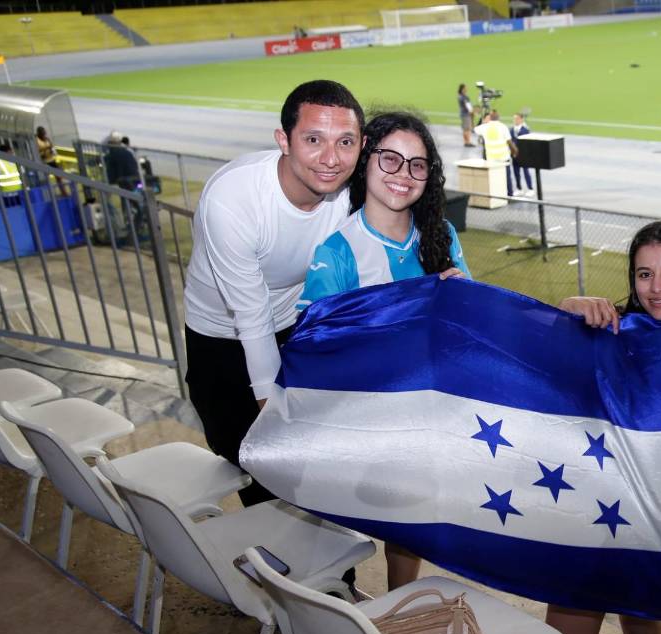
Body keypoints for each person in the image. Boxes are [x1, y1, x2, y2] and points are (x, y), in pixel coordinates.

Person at [297, 111, 468, 590]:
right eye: (391, 159)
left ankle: (400, 602)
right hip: (369, 421)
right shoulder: (336, 253)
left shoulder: (443, 238)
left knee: (411, 523)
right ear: (366, 159)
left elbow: (471, 334)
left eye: (417, 165)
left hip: (432, 413)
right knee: (394, 514)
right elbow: (318, 354)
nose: (403, 174)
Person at [183, 79, 364, 508]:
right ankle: (274, 568)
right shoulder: (234, 199)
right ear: (284, 140)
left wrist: (442, 272)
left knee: (316, 473)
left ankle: (337, 578)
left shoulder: (352, 190)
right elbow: (252, 319)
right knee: (264, 471)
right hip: (223, 338)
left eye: (346, 142)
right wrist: (276, 420)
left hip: (297, 327)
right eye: (313, 140)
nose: (330, 159)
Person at [548, 219, 661, 634]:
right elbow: (539, 364)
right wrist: (566, 313)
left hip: (659, 521)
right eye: (644, 274)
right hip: (591, 509)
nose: (657, 288)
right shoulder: (612, 330)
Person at [474, 110, 518, 196]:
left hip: (491, 159)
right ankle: (509, 195)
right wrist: (514, 152)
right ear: (499, 118)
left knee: (494, 179)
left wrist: (482, 120)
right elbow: (510, 143)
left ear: (489, 118)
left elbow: (475, 129)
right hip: (504, 158)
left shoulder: (484, 127)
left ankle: (496, 195)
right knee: (507, 178)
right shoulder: (503, 127)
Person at [510, 112, 533, 198]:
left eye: (517, 119)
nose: (515, 120)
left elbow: (528, 143)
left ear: (521, 119)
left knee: (526, 172)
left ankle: (530, 189)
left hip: (523, 155)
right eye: (514, 119)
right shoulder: (511, 129)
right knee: (516, 173)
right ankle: (519, 188)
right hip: (514, 155)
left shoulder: (525, 130)